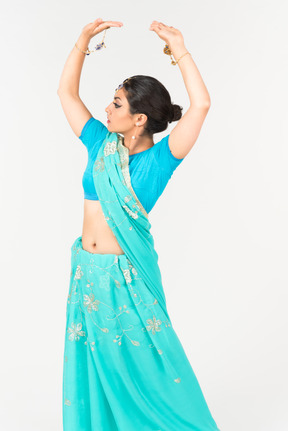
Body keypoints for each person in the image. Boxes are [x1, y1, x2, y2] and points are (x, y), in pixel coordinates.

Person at [57, 18, 220, 431]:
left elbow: (200, 105)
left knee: (150, 362)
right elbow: (66, 93)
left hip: (126, 277)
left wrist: (179, 49)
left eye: (116, 104)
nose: (106, 109)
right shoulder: (100, 143)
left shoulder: (159, 162)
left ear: (140, 119)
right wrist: (81, 42)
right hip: (87, 274)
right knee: (96, 363)